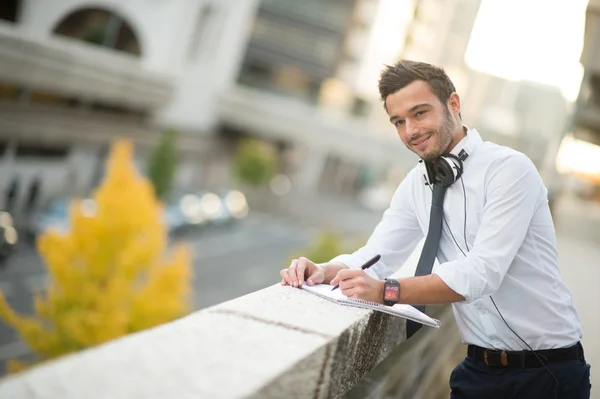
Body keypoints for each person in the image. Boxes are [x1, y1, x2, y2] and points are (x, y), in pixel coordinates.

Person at [280, 60, 591, 398]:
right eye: (399, 121)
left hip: (548, 373)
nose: (410, 130)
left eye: (419, 113)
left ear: (453, 105)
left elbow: (482, 272)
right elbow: (373, 257)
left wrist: (387, 291)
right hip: (477, 371)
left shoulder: (510, 170)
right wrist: (323, 271)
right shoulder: (416, 184)